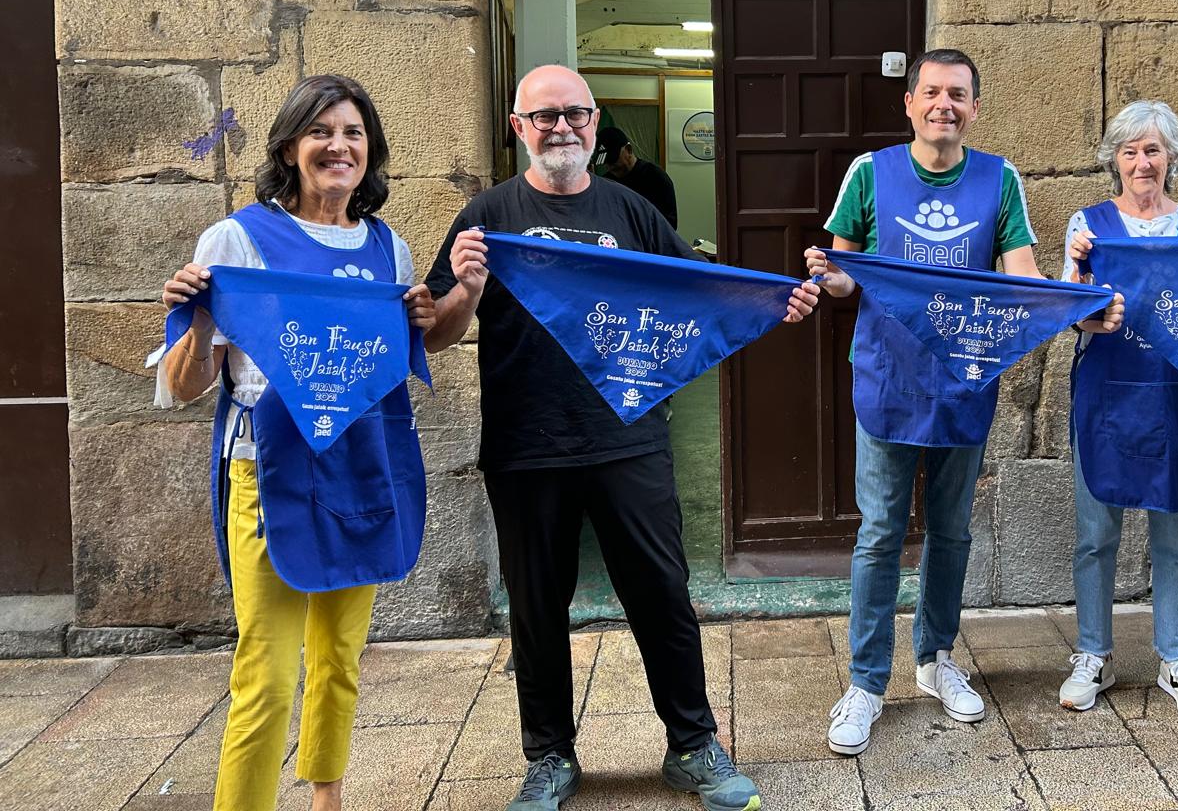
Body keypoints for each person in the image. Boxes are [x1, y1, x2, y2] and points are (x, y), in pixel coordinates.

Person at [424, 65, 818, 811]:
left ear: (596, 122)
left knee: (663, 594)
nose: (561, 127)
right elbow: (439, 336)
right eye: (544, 117)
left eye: (574, 114)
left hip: (629, 436)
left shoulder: (631, 210)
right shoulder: (486, 215)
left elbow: (696, 286)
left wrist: (772, 298)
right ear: (518, 128)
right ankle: (548, 757)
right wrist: (467, 288)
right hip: (526, 443)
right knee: (538, 607)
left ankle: (693, 746)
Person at [805, 47, 1123, 757]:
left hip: (965, 380)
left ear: (974, 108)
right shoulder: (871, 174)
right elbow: (845, 277)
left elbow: (1021, 277)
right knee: (881, 531)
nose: (944, 104)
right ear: (910, 103)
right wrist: (826, 276)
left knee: (950, 533)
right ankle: (864, 682)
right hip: (888, 379)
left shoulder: (998, 179)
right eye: (932, 93)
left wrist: (1077, 307)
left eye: (958, 94)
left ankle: (934, 658)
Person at [158, 75, 438, 811]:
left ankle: (326, 799)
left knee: (341, 658)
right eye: (320, 132)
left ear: (369, 148)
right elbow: (188, 388)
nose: (337, 146)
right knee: (268, 670)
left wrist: (432, 310)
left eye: (352, 132)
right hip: (267, 470)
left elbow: (402, 359)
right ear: (290, 146)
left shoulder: (389, 249)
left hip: (359, 470)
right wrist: (192, 318)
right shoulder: (236, 239)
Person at [1055, 101, 1178, 722]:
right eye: (1129, 151)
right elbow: (1067, 313)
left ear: (1172, 156)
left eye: (1152, 150)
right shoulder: (1089, 227)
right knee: (1096, 535)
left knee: (1177, 538)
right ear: (1114, 160)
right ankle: (1093, 653)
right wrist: (1078, 276)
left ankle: (1176, 656)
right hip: (1108, 394)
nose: (1141, 163)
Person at [596, 124, 679, 228]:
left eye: (613, 160)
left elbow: (669, 224)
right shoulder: (606, 182)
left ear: (629, 150)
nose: (609, 167)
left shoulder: (656, 178)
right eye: (605, 162)